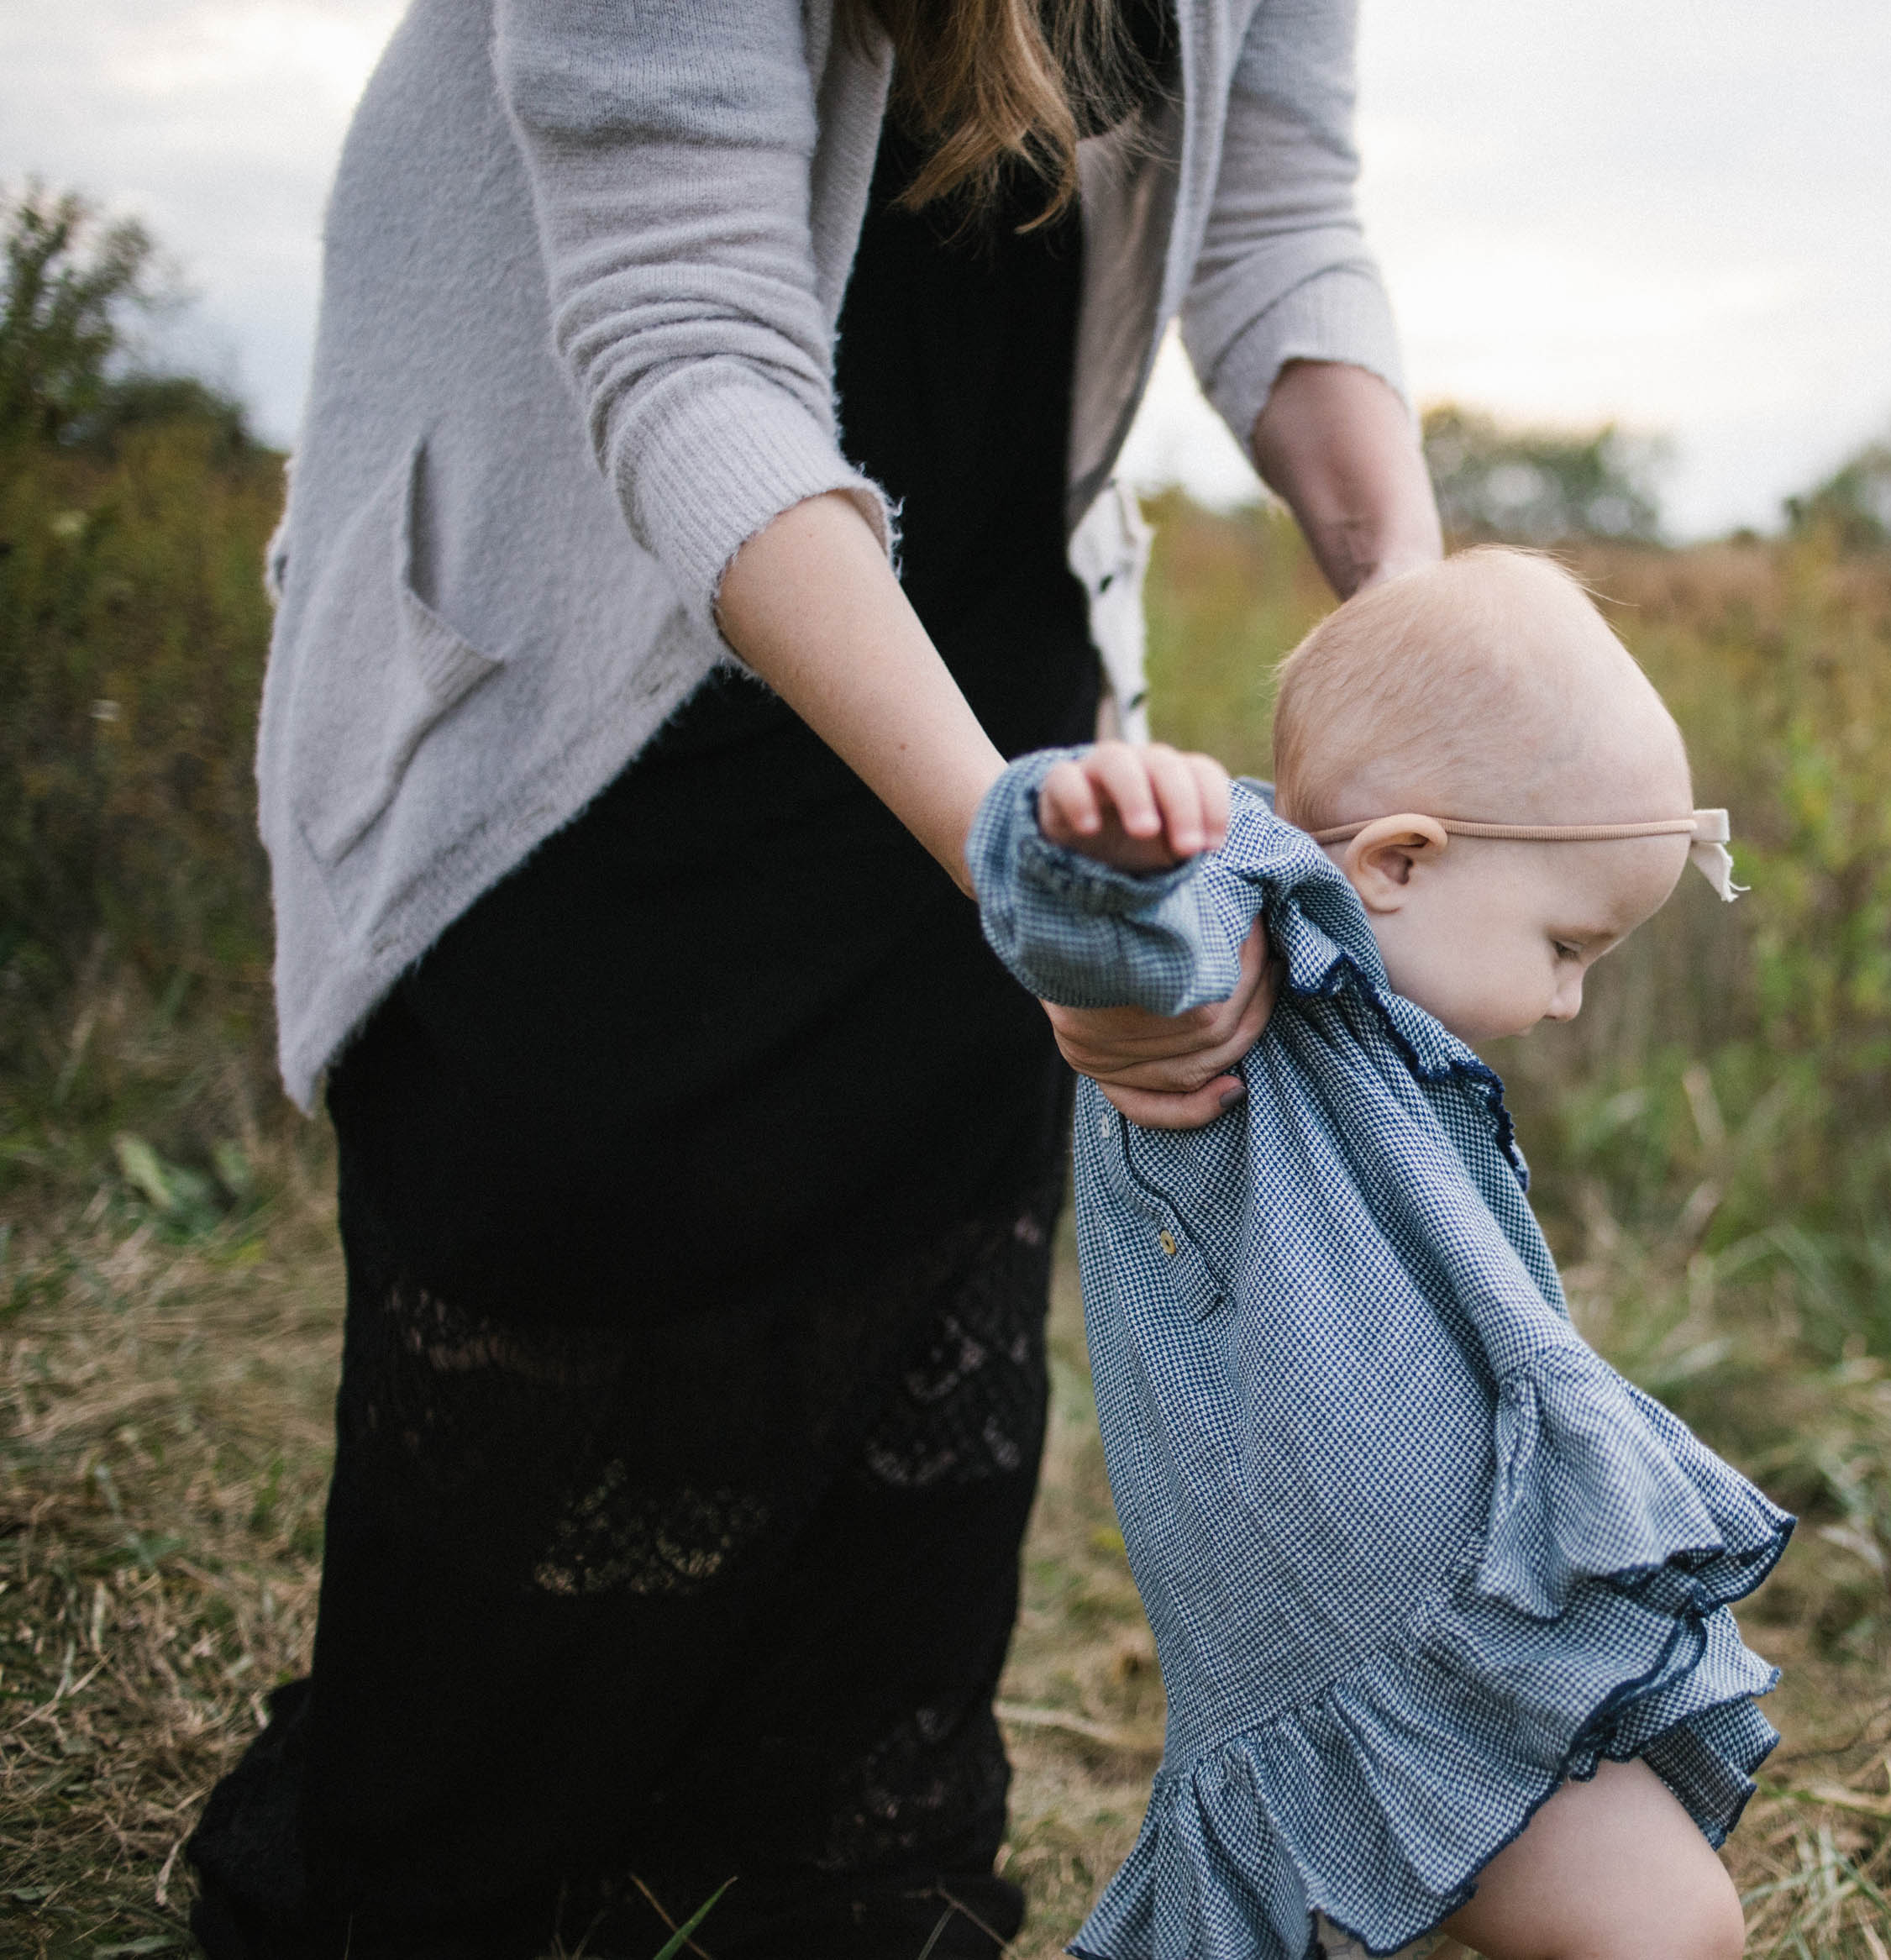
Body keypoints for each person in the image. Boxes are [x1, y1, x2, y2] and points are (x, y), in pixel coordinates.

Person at [187, 0, 1439, 1953]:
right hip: (600, 704)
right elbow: (686, 344)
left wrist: (1430, 632)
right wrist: (1021, 878)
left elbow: (1276, 219)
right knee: (477, 1750)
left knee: (876, 1647)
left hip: (992, 670)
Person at [969, 549, 1790, 1960]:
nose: (1572, 1001)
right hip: (1374, 1629)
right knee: (1667, 1926)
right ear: (1402, 861)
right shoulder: (1236, 947)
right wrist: (1085, 852)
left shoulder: (1364, 984)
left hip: (1434, 1599)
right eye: (1567, 945)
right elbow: (1123, 943)